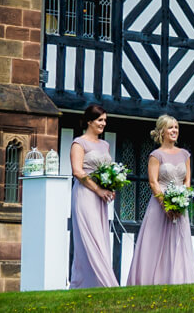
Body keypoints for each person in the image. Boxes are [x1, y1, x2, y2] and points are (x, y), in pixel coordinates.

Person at [126, 115, 194, 286]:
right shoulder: (156, 155)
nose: (174, 130)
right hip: (160, 205)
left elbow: (187, 181)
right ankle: (151, 280)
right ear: (162, 131)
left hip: (180, 205)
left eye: (176, 127)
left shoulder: (184, 154)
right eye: (170, 128)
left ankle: (178, 279)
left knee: (179, 241)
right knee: (155, 242)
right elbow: (153, 182)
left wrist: (183, 199)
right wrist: (166, 206)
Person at [69, 104, 120, 288]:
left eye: (105, 120)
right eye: (100, 120)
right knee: (90, 237)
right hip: (85, 194)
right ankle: (102, 283)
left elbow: (108, 170)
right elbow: (77, 171)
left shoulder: (105, 145)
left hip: (101, 198)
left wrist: (111, 185)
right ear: (89, 121)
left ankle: (96, 283)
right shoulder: (79, 143)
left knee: (100, 235)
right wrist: (98, 189)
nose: (103, 124)